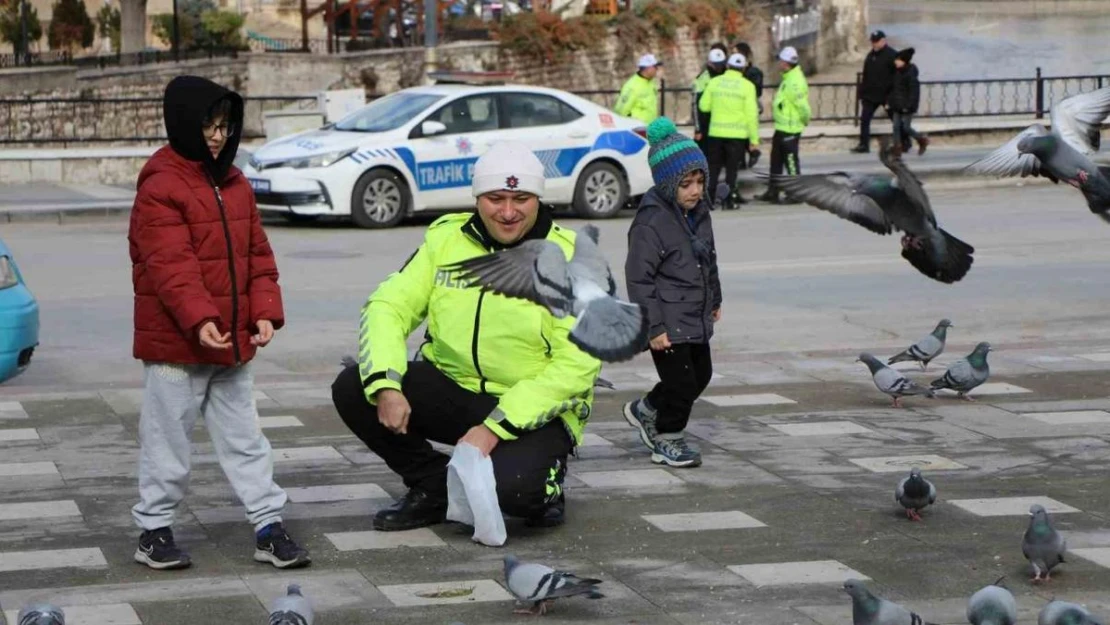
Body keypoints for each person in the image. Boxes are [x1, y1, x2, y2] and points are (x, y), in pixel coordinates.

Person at [330, 142, 602, 533]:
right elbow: (388, 305)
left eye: (521, 198)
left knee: (517, 496)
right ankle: (433, 487)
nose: (508, 212)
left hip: (536, 408)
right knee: (357, 386)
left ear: (538, 199)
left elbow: (576, 367)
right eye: (496, 198)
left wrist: (493, 430)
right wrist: (388, 386)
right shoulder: (445, 240)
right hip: (455, 388)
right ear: (478, 198)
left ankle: (547, 485)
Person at [128, 75, 310, 571]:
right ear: (183, 122)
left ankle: (268, 526)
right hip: (177, 346)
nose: (217, 135)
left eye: (225, 126)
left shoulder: (234, 181)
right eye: (208, 124)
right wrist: (200, 318)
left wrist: (265, 312)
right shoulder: (161, 186)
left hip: (231, 343)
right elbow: (170, 266)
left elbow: (257, 256)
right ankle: (153, 530)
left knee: (246, 438)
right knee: (167, 441)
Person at [624, 117, 722, 469]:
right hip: (666, 320)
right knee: (680, 383)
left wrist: (716, 299)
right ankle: (667, 438)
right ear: (668, 185)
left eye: (699, 182)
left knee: (701, 375)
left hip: (694, 313)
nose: (695, 191)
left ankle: (647, 408)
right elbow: (639, 278)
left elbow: (708, 258)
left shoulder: (698, 213)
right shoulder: (652, 222)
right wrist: (653, 327)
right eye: (686, 184)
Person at [698, 52, 760, 209]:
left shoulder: (715, 82)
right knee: (732, 170)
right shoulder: (748, 87)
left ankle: (708, 200)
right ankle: (728, 201)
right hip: (737, 136)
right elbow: (751, 115)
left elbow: (703, 106)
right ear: (744, 68)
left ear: (727, 66)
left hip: (716, 133)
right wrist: (754, 141)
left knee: (713, 168)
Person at [757, 46, 810, 204]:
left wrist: (804, 121)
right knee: (776, 161)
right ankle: (773, 190)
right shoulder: (788, 78)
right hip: (781, 128)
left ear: (786, 63)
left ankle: (796, 193)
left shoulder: (794, 82)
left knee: (791, 162)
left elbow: (803, 107)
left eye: (780, 60)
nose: (778, 63)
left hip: (790, 129)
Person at [852, 30, 898, 154]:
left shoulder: (892, 55)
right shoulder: (871, 55)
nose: (874, 44)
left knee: (896, 120)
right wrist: (862, 93)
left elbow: (898, 77)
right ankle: (864, 145)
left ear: (883, 41)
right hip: (870, 96)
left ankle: (905, 142)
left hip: (886, 96)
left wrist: (892, 96)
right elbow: (866, 75)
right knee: (865, 119)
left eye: (876, 42)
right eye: (873, 41)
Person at [889, 47, 929, 155]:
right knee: (896, 127)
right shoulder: (896, 72)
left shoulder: (911, 74)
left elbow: (914, 93)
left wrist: (908, 106)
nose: (895, 62)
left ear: (904, 61)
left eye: (897, 60)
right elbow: (893, 89)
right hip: (897, 104)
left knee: (906, 127)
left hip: (907, 106)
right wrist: (889, 102)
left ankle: (921, 139)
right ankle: (897, 147)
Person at [692, 44, 729, 156]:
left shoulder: (729, 76)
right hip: (706, 122)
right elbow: (695, 106)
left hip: (724, 121)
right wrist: (698, 129)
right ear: (709, 63)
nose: (719, 68)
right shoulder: (702, 79)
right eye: (716, 65)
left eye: (721, 64)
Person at [735, 41, 765, 167]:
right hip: (738, 106)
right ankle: (744, 157)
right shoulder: (735, 71)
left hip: (749, 106)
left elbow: (757, 91)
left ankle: (753, 152)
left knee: (746, 131)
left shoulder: (754, 72)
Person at [615, 53, 663, 125]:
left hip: (649, 128)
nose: (657, 69)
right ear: (648, 68)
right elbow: (620, 110)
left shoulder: (650, 83)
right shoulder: (632, 86)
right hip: (637, 129)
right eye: (655, 67)